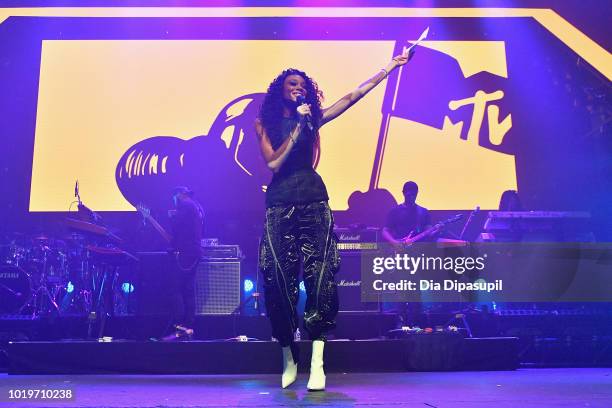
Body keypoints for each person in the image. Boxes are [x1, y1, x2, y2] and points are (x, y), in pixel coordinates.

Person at [256, 49, 415, 390]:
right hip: (280, 203)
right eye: (291, 84)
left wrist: (391, 66)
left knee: (321, 277)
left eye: (302, 85)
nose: (298, 88)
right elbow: (272, 164)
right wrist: (299, 127)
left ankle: (317, 362)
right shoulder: (265, 123)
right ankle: (287, 352)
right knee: (277, 279)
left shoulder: (313, 118)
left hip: (314, 200)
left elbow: (352, 96)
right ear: (281, 91)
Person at [382, 181, 432, 246]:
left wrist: (437, 230)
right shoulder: (394, 211)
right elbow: (385, 231)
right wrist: (394, 242)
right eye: (409, 194)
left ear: (417, 193)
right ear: (403, 193)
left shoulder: (424, 212)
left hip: (418, 249)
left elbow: (429, 232)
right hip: (400, 249)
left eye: (414, 194)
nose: (412, 197)